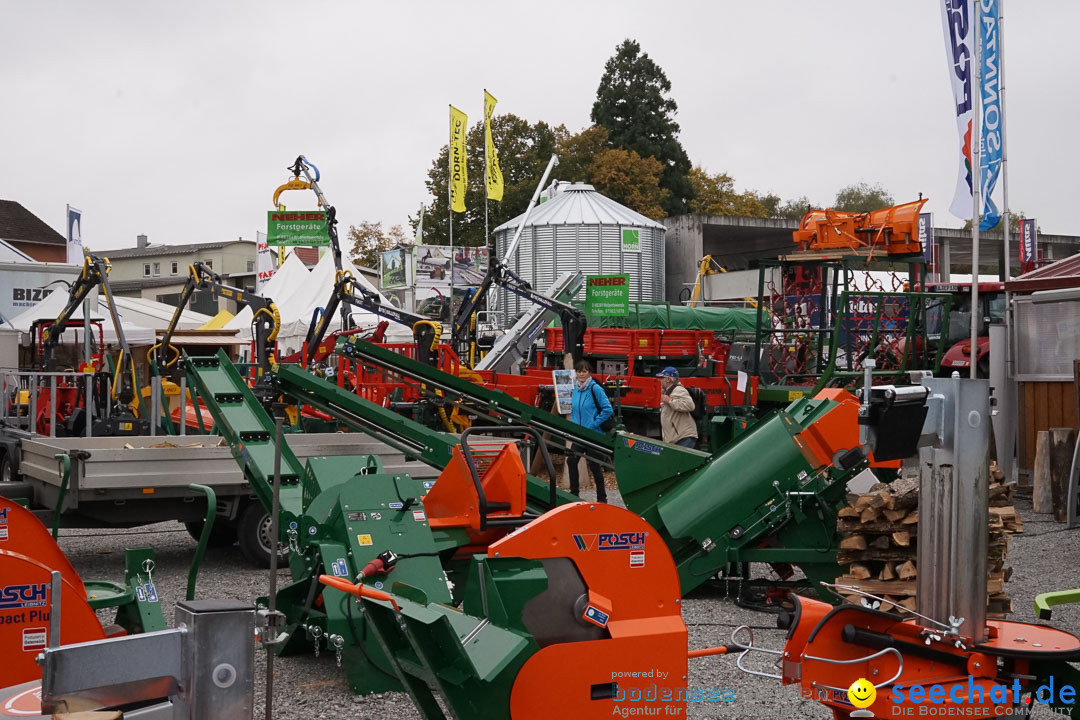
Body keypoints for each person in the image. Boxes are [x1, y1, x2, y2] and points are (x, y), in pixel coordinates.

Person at [568, 360, 612, 503]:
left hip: (593, 434)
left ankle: (602, 498)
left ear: (589, 373)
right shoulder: (575, 389)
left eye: (584, 371)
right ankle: (574, 494)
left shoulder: (595, 388)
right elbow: (574, 410)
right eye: (579, 371)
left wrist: (593, 424)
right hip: (579, 434)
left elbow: (607, 409)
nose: (581, 374)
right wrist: (574, 426)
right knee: (571, 460)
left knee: (594, 466)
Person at [656, 366, 697, 448]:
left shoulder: (678, 390)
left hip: (683, 438)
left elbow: (690, 405)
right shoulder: (669, 391)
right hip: (678, 438)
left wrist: (670, 401)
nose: (659, 380)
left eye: (661, 378)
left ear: (668, 379)